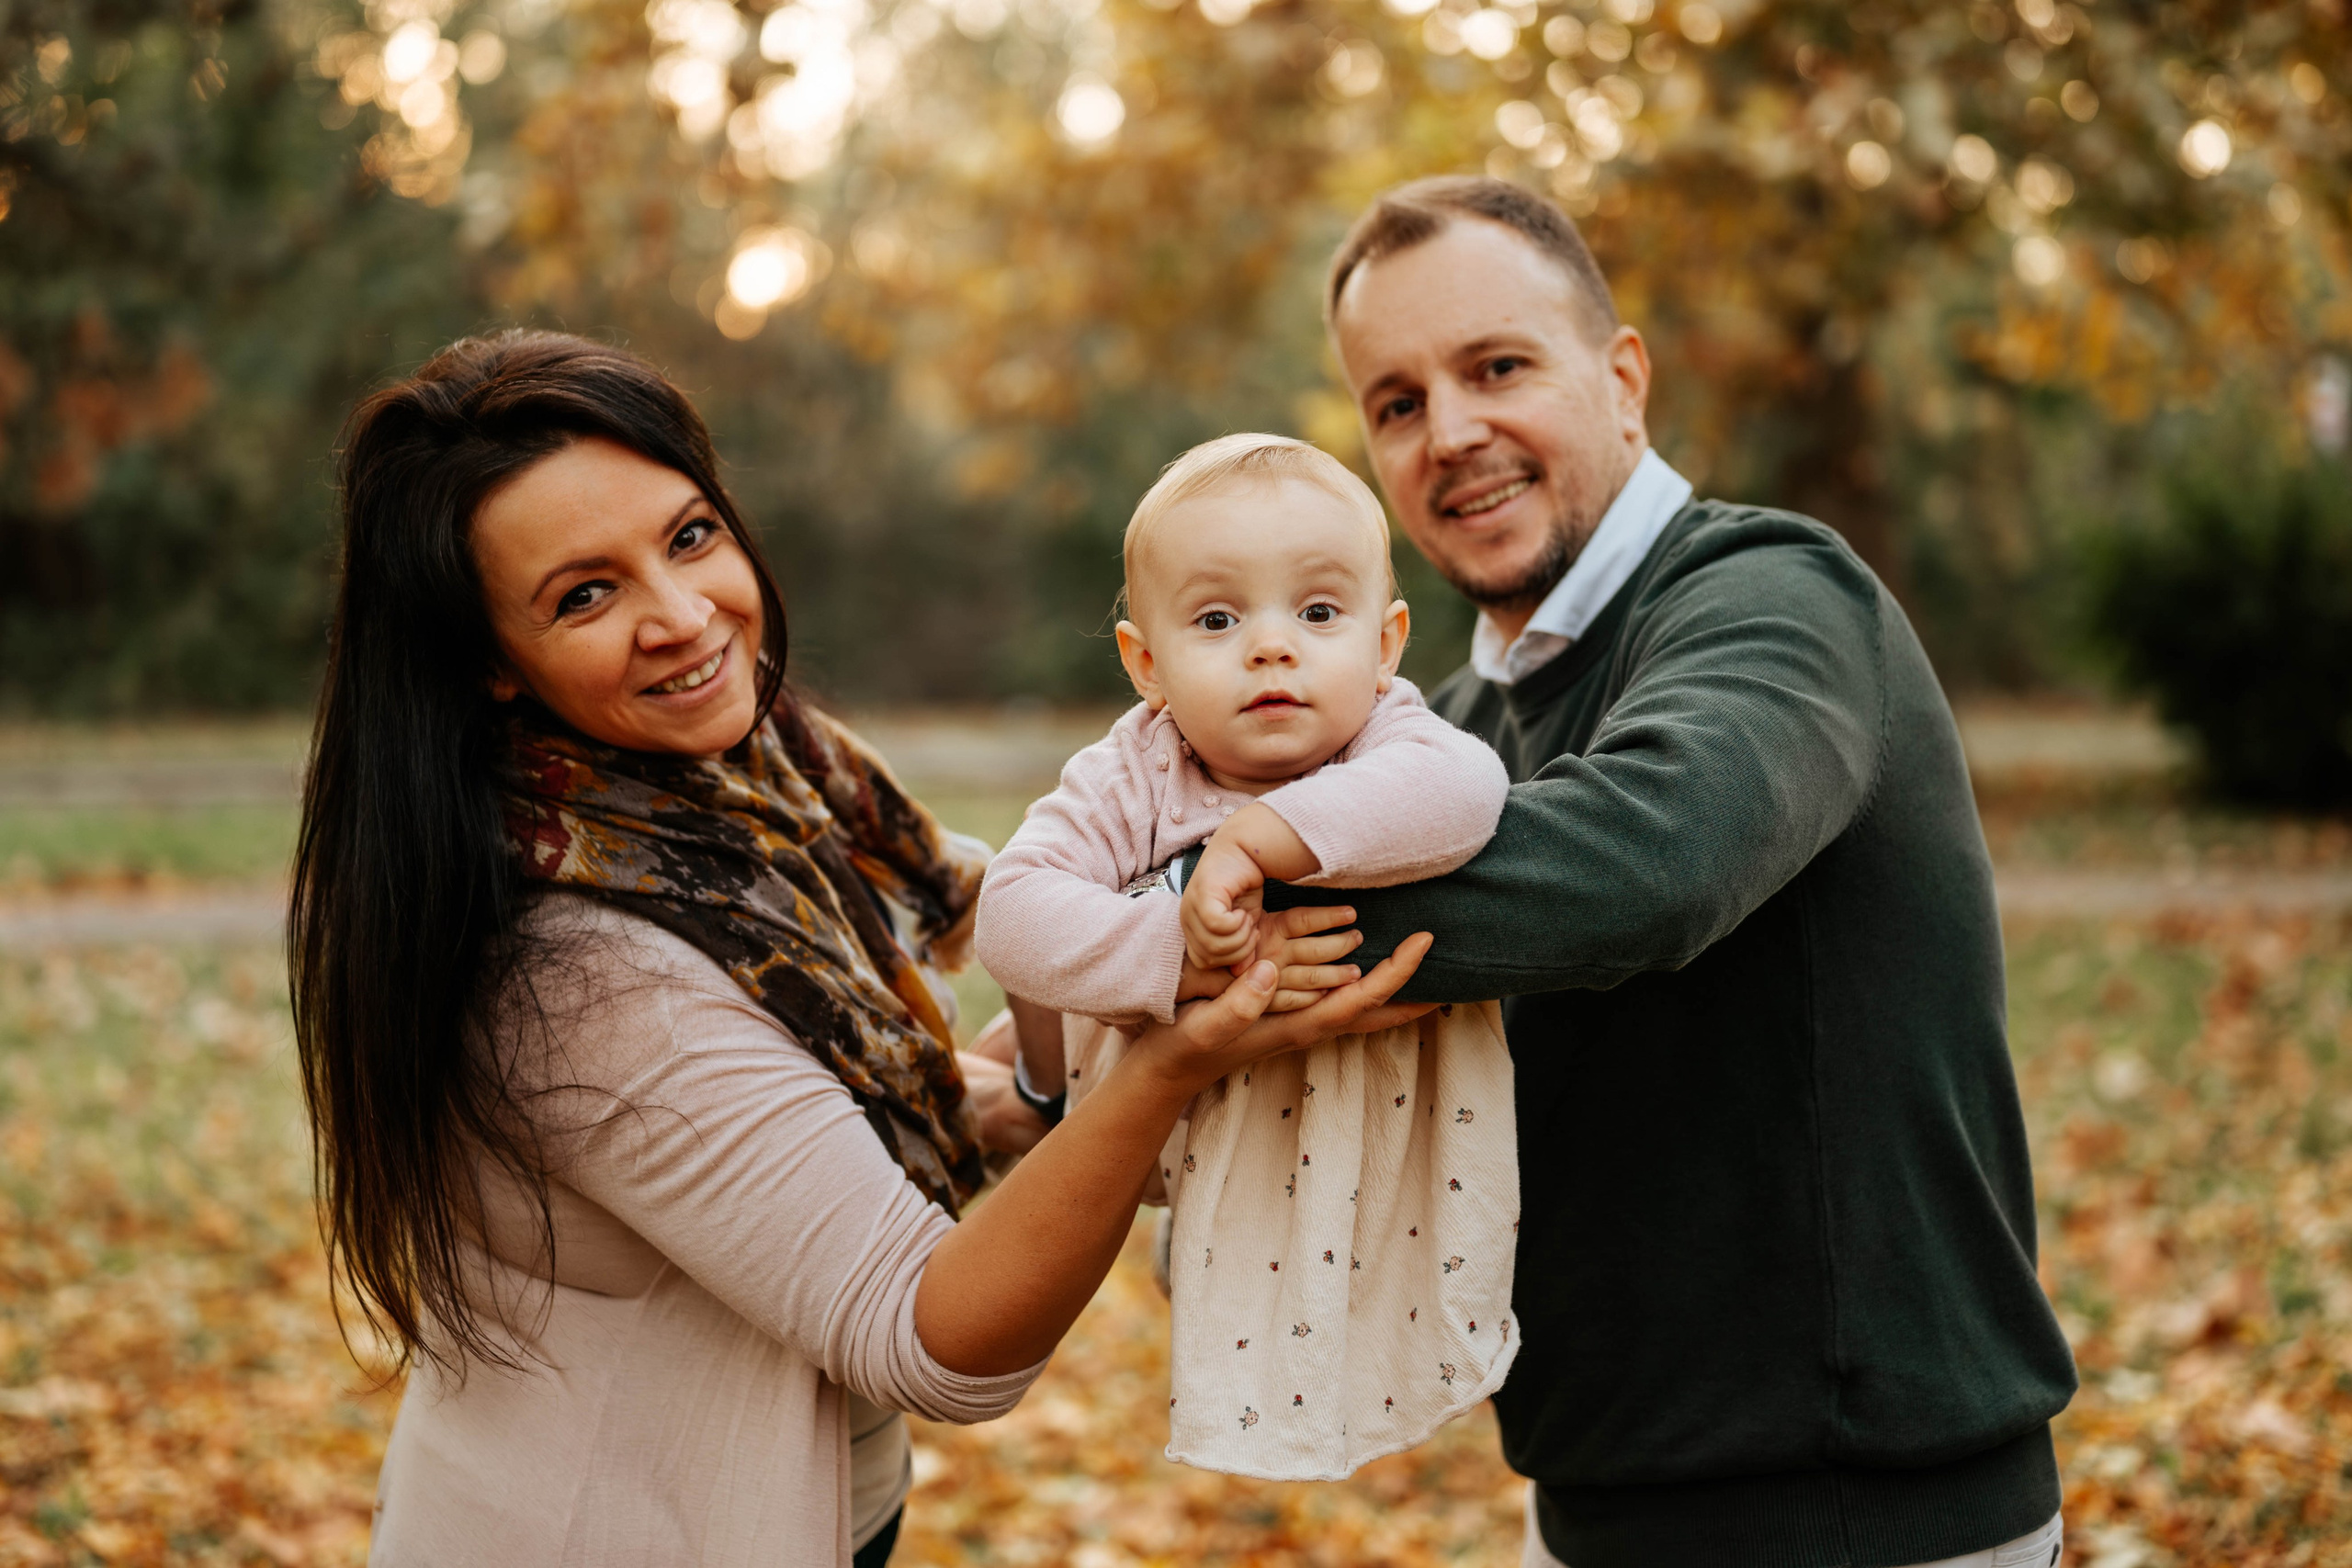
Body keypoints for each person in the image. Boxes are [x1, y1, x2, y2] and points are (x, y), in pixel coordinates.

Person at [288, 330, 1431, 1567]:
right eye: (585, 592)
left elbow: (855, 1079)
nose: (683, 616)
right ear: (490, 664)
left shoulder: (752, 781)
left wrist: (1033, 1086)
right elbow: (931, 1335)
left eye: (687, 536)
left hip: (804, 1500)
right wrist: (1167, 1067)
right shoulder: (584, 976)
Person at [1288, 177, 2079, 1568]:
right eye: (1397, 401)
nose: (1450, 432)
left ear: (1624, 378)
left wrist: (1231, 906)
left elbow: (1656, 857)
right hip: (1596, 1503)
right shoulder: (1451, 738)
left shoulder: (1776, 596)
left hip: (1865, 1512)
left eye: (1498, 367)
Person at [973, 433, 1517, 1480]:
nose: (1273, 648)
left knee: (1367, 1296)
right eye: (1218, 620)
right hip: (1165, 1111)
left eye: (1318, 614)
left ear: (1387, 641)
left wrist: (1259, 840)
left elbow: (1470, 797)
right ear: (1147, 664)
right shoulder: (1136, 766)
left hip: (1366, 1138)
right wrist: (1171, 948)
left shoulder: (1392, 739)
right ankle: (1040, 1085)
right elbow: (1011, 913)